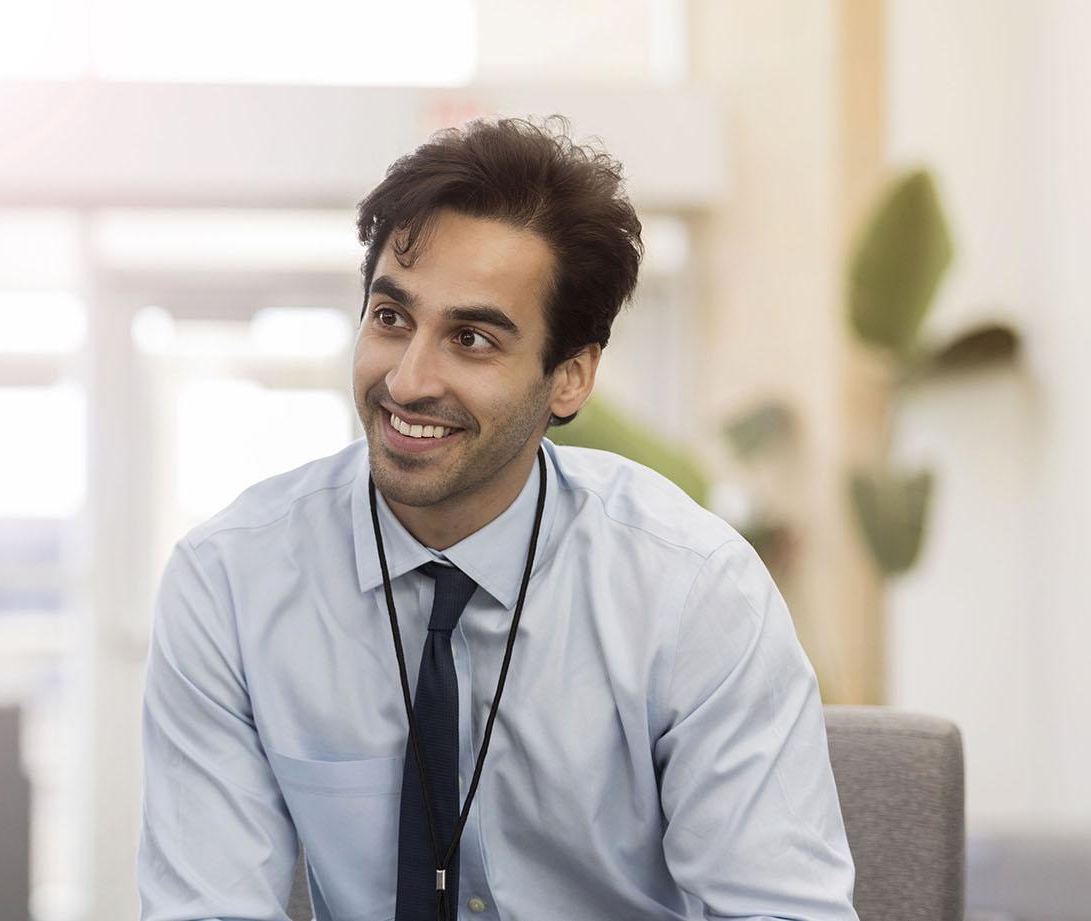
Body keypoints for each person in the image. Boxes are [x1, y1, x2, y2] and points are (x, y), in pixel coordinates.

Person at [137, 118, 857, 920]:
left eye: (471, 338)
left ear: (569, 379)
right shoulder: (231, 581)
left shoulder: (693, 593)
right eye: (391, 318)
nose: (408, 381)